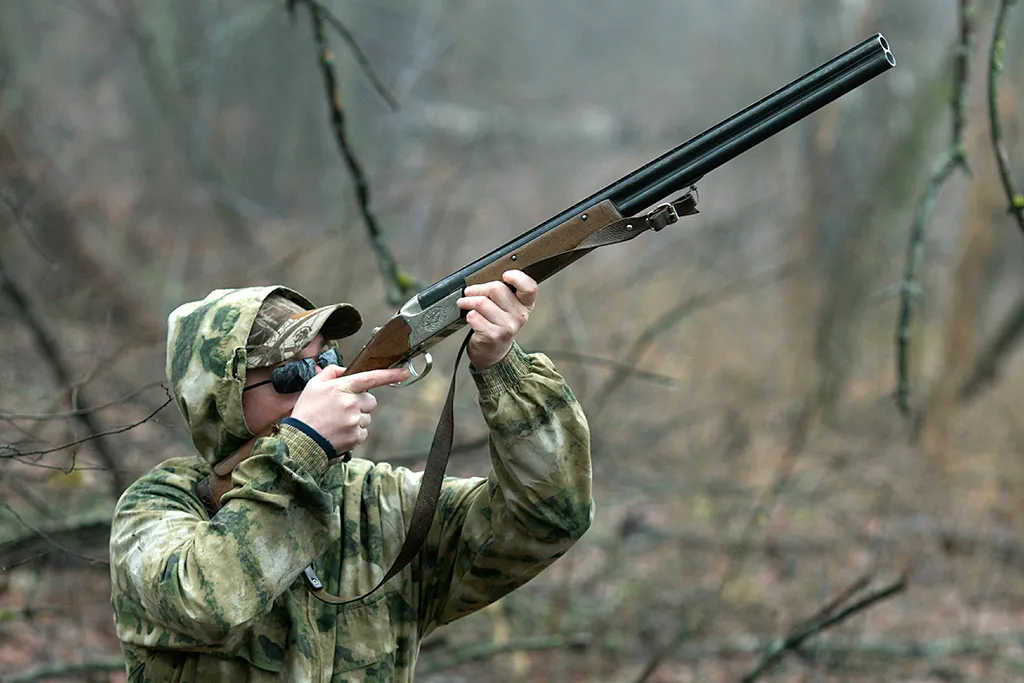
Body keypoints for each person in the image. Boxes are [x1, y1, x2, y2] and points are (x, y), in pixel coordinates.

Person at [108, 271, 593, 682]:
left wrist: (503, 368)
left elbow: (550, 517)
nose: (322, 383)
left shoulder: (382, 505)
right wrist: (303, 449)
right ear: (220, 400)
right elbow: (208, 602)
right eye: (290, 376)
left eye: (327, 361)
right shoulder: (158, 510)